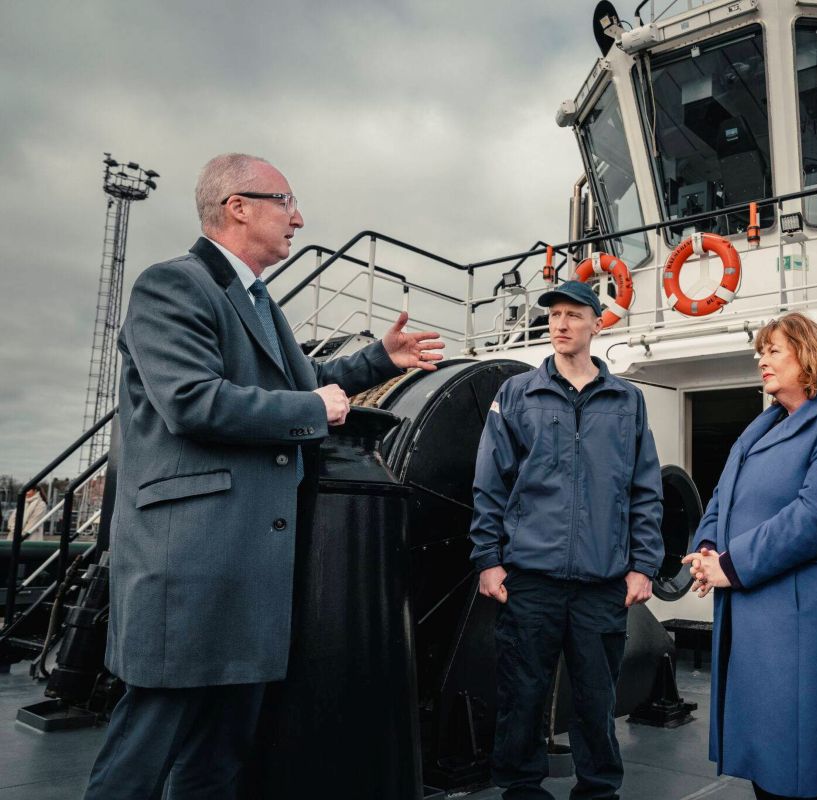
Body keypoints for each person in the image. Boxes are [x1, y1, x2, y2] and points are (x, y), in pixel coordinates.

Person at [84, 153, 445, 800]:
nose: (298, 218)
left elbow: (296, 382)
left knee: (218, 762)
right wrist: (312, 410)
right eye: (286, 202)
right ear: (237, 207)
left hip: (251, 576)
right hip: (191, 567)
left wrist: (376, 361)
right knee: (143, 755)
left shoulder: (257, 301)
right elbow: (192, 400)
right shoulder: (172, 285)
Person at [470, 279, 664, 800]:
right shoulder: (517, 395)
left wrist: (643, 564)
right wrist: (489, 559)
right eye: (554, 315)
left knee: (596, 699)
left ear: (596, 323)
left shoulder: (628, 401)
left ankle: (599, 790)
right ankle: (521, 789)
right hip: (530, 578)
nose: (560, 323)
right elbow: (491, 482)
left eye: (574, 315)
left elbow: (645, 488)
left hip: (602, 583)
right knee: (522, 697)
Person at [683, 312, 817, 800]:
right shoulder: (761, 426)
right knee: (770, 758)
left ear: (809, 354)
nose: (762, 360)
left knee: (814, 761)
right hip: (760, 610)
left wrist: (729, 566)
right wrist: (707, 545)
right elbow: (723, 495)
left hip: (812, 617)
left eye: (774, 350)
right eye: (761, 352)